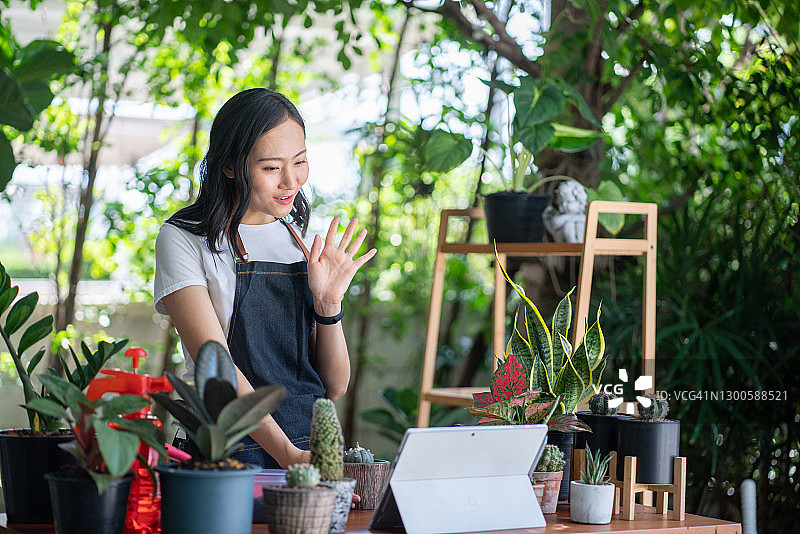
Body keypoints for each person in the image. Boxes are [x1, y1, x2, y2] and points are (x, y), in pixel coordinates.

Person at [154, 88, 376, 469]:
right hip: (225, 455)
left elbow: (335, 387)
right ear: (229, 166)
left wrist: (328, 306)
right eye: (271, 168)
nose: (291, 181)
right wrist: (288, 455)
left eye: (300, 161)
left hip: (308, 447)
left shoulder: (305, 241)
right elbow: (217, 369)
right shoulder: (184, 239)